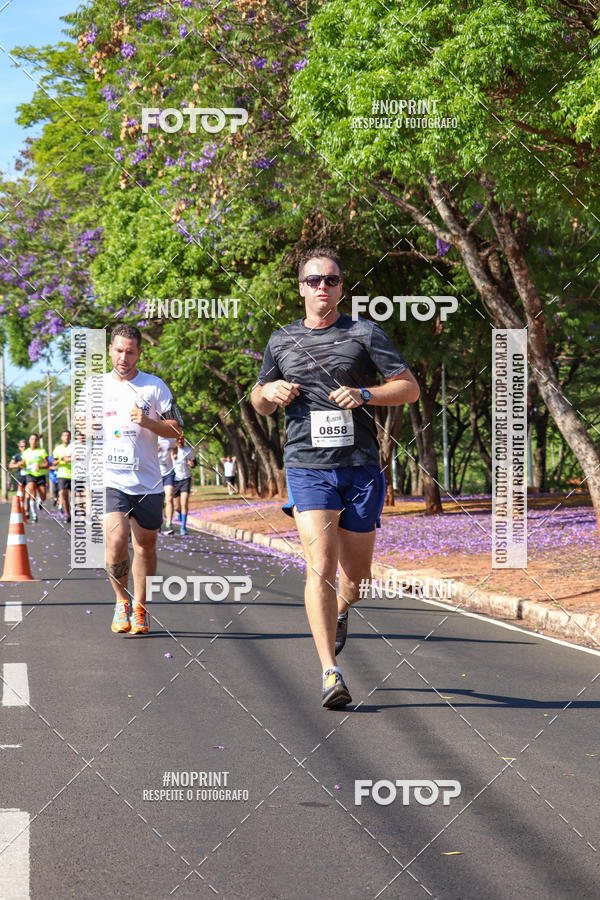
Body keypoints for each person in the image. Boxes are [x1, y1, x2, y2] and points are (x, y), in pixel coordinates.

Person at [251, 247, 420, 709]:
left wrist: (365, 393)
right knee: (321, 567)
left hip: (360, 466)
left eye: (330, 280)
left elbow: (409, 388)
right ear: (301, 288)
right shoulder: (281, 339)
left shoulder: (364, 333)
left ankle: (342, 610)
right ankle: (331, 672)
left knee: (356, 577)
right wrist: (269, 390)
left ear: (342, 287)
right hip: (307, 466)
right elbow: (258, 401)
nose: (322, 287)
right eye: (313, 280)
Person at [93, 324, 182, 635]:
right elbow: (81, 427)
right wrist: (85, 427)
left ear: (139, 353)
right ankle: (121, 602)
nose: (124, 357)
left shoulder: (155, 386)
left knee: (145, 546)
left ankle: (140, 606)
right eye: (119, 350)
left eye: (130, 352)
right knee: (116, 539)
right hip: (110, 479)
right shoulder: (95, 387)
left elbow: (177, 429)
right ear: (110, 350)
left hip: (147, 481)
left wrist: (147, 421)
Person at [21, 433, 49, 522]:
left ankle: (40, 500)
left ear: (37, 441)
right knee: (32, 492)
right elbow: (23, 464)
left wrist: (40, 467)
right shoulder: (26, 452)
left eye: (35, 439)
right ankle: (34, 515)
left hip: (40, 475)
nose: (33, 441)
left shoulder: (42, 451)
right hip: (30, 475)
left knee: (43, 496)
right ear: (29, 441)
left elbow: (47, 464)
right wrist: (20, 464)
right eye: (32, 439)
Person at [172, 434, 196, 535]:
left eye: (182, 439)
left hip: (186, 478)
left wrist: (192, 464)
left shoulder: (188, 450)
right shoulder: (171, 450)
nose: (180, 440)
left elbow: (194, 463)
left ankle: (183, 527)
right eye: (178, 439)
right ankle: (179, 513)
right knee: (177, 506)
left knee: (184, 503)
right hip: (174, 480)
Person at [53, 430, 73, 522]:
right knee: (64, 495)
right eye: (65, 435)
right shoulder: (58, 449)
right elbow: (54, 462)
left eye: (68, 435)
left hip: (75, 475)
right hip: (62, 474)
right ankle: (68, 515)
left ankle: (77, 513)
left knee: (77, 497)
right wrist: (61, 459)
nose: (67, 437)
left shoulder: (74, 447)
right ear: (61, 438)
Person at [158, 435, 176, 534]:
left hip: (168, 472)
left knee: (169, 497)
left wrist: (174, 454)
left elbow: (175, 448)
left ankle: (169, 524)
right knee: (158, 500)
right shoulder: (152, 437)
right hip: (155, 473)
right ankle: (158, 522)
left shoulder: (170, 438)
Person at [9, 439, 29, 514]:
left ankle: (27, 510)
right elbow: (10, 465)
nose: (23, 448)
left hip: (30, 475)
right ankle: (21, 508)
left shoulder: (30, 454)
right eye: (22, 447)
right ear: (19, 447)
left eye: (25, 446)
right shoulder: (17, 455)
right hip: (20, 476)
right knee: (21, 493)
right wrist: (18, 464)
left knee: (28, 493)